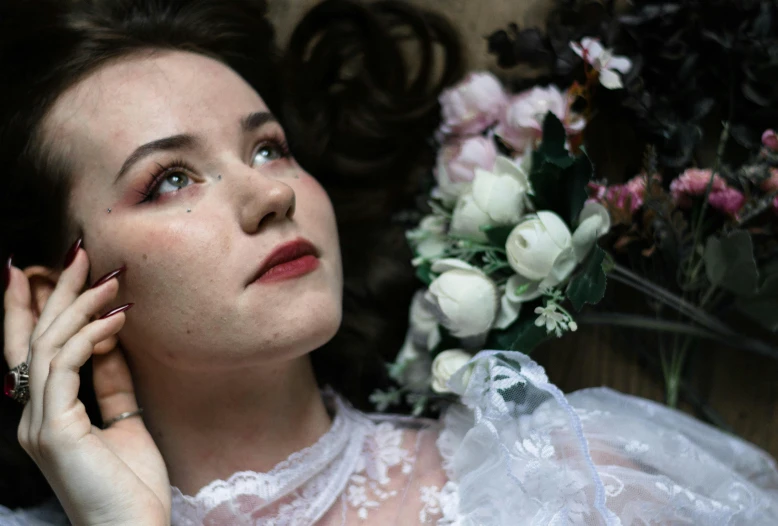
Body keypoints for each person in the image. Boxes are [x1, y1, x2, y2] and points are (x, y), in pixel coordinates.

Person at [1, 0, 777, 524]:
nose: (270, 194)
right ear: (53, 296)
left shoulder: (554, 484)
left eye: (268, 147)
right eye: (170, 179)